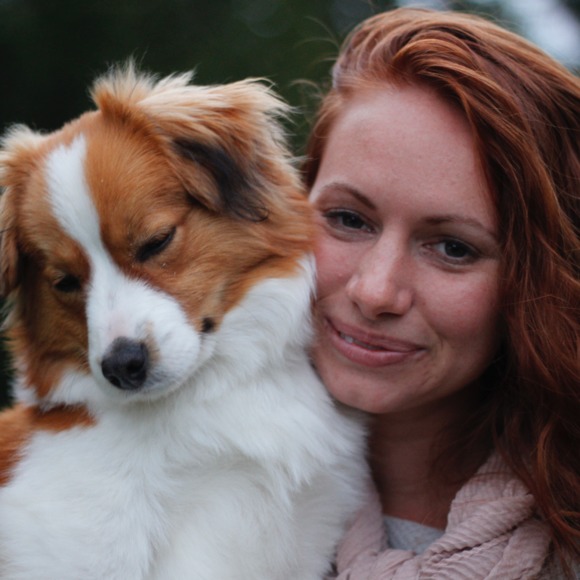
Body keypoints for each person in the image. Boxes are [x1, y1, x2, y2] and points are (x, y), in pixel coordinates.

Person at [303, 7, 579, 578]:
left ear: (539, 282)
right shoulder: (148, 479)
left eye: (453, 248)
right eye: (349, 219)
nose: (375, 291)